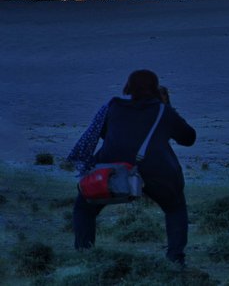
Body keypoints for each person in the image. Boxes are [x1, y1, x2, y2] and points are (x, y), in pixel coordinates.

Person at [68, 70, 196, 266]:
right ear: (156, 89)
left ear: (127, 88)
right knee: (175, 208)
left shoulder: (113, 107)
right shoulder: (163, 111)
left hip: (111, 171)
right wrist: (166, 106)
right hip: (157, 172)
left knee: (84, 207)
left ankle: (85, 256)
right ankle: (175, 259)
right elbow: (188, 138)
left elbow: (106, 135)